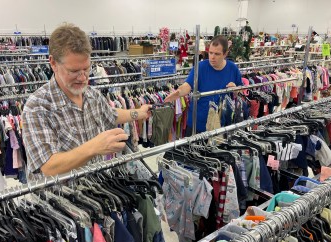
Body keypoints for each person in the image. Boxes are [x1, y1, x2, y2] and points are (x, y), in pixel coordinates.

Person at [22, 23, 151, 180]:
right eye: (74, 71)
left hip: (95, 190)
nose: (83, 78)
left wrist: (138, 112)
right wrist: (95, 147)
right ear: (53, 63)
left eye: (87, 69)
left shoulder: (92, 94)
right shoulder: (37, 106)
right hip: (59, 199)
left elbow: (111, 113)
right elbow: (48, 165)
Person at [165, 35, 242, 135]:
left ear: (225, 54)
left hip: (219, 125)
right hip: (196, 124)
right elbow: (188, 85)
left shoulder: (233, 69)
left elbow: (241, 91)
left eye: (217, 54)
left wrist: (236, 90)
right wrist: (179, 92)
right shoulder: (200, 67)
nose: (212, 57)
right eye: (210, 53)